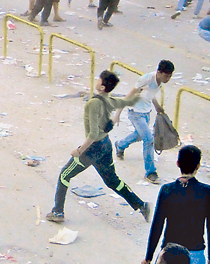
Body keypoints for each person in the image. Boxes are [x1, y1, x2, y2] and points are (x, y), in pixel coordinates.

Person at [46, 70, 151, 223]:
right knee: (112, 181)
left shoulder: (93, 103)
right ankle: (141, 205)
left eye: (99, 80)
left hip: (92, 148)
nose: (96, 81)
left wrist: (79, 150)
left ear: (102, 87)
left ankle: (58, 212)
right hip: (106, 145)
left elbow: (93, 134)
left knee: (64, 175)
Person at [143, 145, 210, 264]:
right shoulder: (207, 192)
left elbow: (157, 225)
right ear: (198, 166)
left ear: (177, 164)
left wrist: (149, 257)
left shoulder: (167, 190)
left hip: (168, 254)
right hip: (194, 255)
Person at [115, 60, 175, 184]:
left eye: (170, 76)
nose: (168, 78)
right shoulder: (146, 79)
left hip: (146, 112)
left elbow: (150, 93)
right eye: (166, 75)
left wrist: (158, 107)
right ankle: (150, 172)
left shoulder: (159, 82)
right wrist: (117, 114)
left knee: (139, 135)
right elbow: (128, 96)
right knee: (149, 139)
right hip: (135, 112)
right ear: (159, 72)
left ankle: (120, 145)